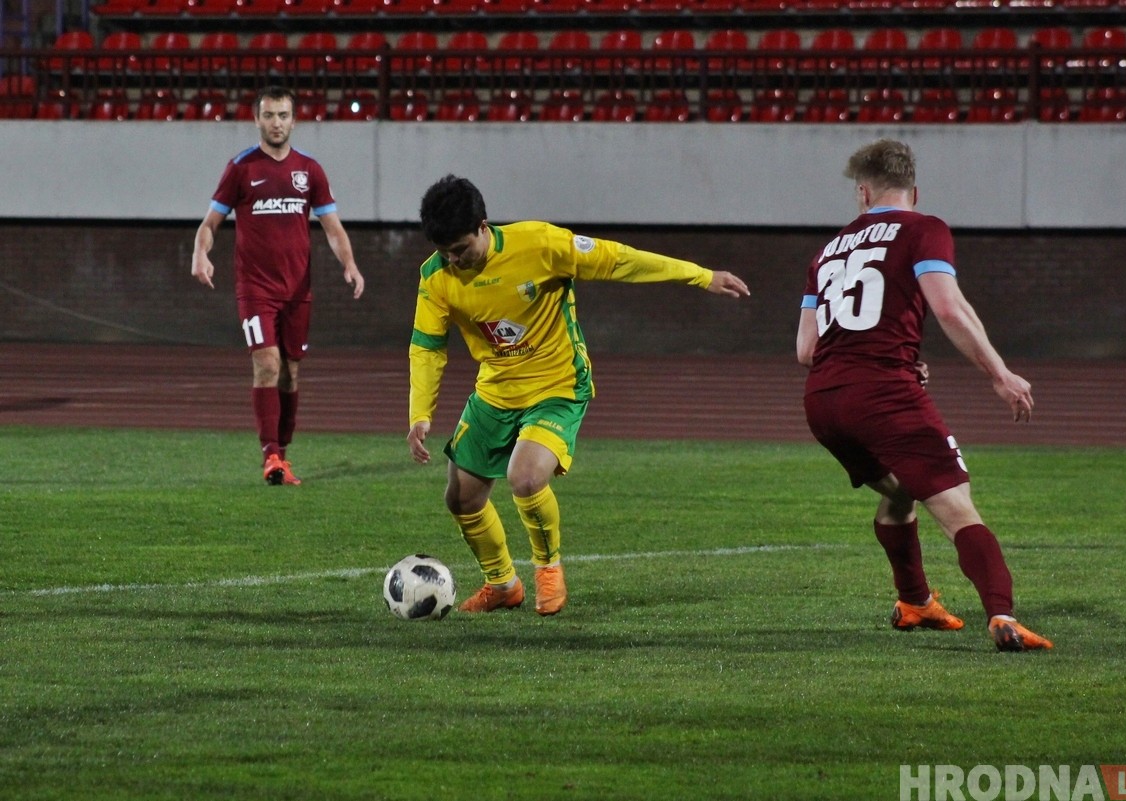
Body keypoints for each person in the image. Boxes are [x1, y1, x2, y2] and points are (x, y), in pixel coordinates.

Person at [407, 175, 750, 616]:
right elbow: (427, 347)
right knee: (461, 498)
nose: (454, 259)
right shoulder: (435, 277)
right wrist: (420, 413)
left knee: (526, 478)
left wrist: (699, 276)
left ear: (482, 226)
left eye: (460, 249)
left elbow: (619, 260)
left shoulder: (540, 244)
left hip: (558, 384)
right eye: (444, 252)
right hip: (496, 389)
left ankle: (548, 568)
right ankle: (502, 584)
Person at [795, 139, 1052, 652]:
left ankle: (914, 601)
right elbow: (950, 308)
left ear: (862, 193)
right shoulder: (923, 228)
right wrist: (999, 374)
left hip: (823, 398)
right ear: (915, 190)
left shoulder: (827, 250)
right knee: (958, 507)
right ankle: (1002, 615)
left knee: (898, 491)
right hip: (883, 393)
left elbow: (806, 349)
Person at [191, 86, 364, 486]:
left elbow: (332, 228)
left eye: (283, 115)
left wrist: (350, 264)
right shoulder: (241, 168)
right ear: (257, 119)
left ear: (294, 120)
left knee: (291, 372)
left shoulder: (310, 171)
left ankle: (282, 458)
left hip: (297, 289)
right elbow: (209, 224)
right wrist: (201, 252)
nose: (276, 123)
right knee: (266, 363)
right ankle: (269, 454)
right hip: (255, 288)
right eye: (269, 115)